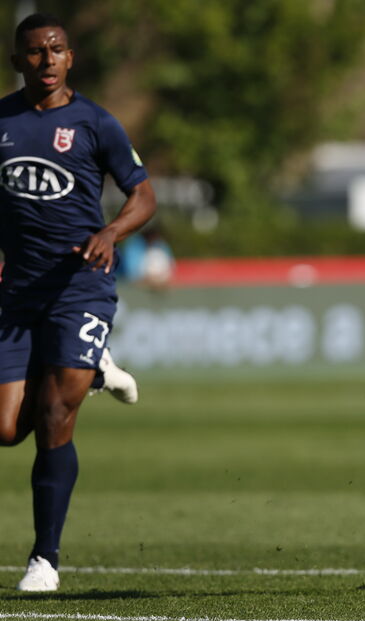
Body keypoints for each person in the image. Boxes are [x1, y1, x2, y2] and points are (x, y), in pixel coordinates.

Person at [0, 14, 157, 591]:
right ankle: (95, 368)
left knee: (52, 417)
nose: (46, 61)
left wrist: (110, 233)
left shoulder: (95, 124)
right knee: (6, 428)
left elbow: (143, 195)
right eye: (34, 53)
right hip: (15, 293)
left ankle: (45, 559)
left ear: (71, 58)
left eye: (56, 50)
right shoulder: (1, 122)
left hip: (79, 286)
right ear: (18, 62)